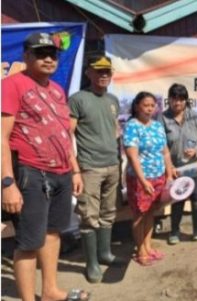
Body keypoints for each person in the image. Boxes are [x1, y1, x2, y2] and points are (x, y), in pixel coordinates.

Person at [1, 32, 90, 301]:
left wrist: (74, 169)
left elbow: (63, 132)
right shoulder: (12, 85)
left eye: (53, 54)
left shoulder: (57, 89)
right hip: (30, 172)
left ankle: (50, 290)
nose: (48, 59)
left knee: (53, 233)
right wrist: (7, 184)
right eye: (40, 53)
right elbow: (1, 137)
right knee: (29, 241)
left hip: (61, 172)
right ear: (26, 56)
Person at [69, 54, 122, 283]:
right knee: (89, 217)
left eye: (107, 71)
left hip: (112, 165)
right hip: (89, 167)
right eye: (98, 71)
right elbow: (67, 134)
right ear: (88, 73)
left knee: (108, 213)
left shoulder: (112, 99)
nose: (103, 75)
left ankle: (104, 253)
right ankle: (91, 264)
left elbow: (114, 128)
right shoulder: (78, 99)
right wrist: (75, 170)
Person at [123, 91, 174, 266]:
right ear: (137, 106)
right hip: (140, 179)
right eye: (146, 105)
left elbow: (165, 152)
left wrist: (169, 171)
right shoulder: (132, 126)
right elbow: (132, 156)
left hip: (158, 177)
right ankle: (141, 251)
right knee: (139, 215)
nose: (149, 109)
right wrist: (143, 181)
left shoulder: (157, 126)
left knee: (151, 212)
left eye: (152, 105)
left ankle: (148, 246)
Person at [159, 83, 197, 245]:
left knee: (196, 196)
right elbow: (160, 143)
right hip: (175, 168)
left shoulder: (194, 116)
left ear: (186, 101)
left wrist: (196, 149)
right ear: (169, 100)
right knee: (178, 198)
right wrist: (169, 167)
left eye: (181, 100)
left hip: (194, 166)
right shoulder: (162, 118)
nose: (177, 103)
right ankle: (174, 232)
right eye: (174, 99)